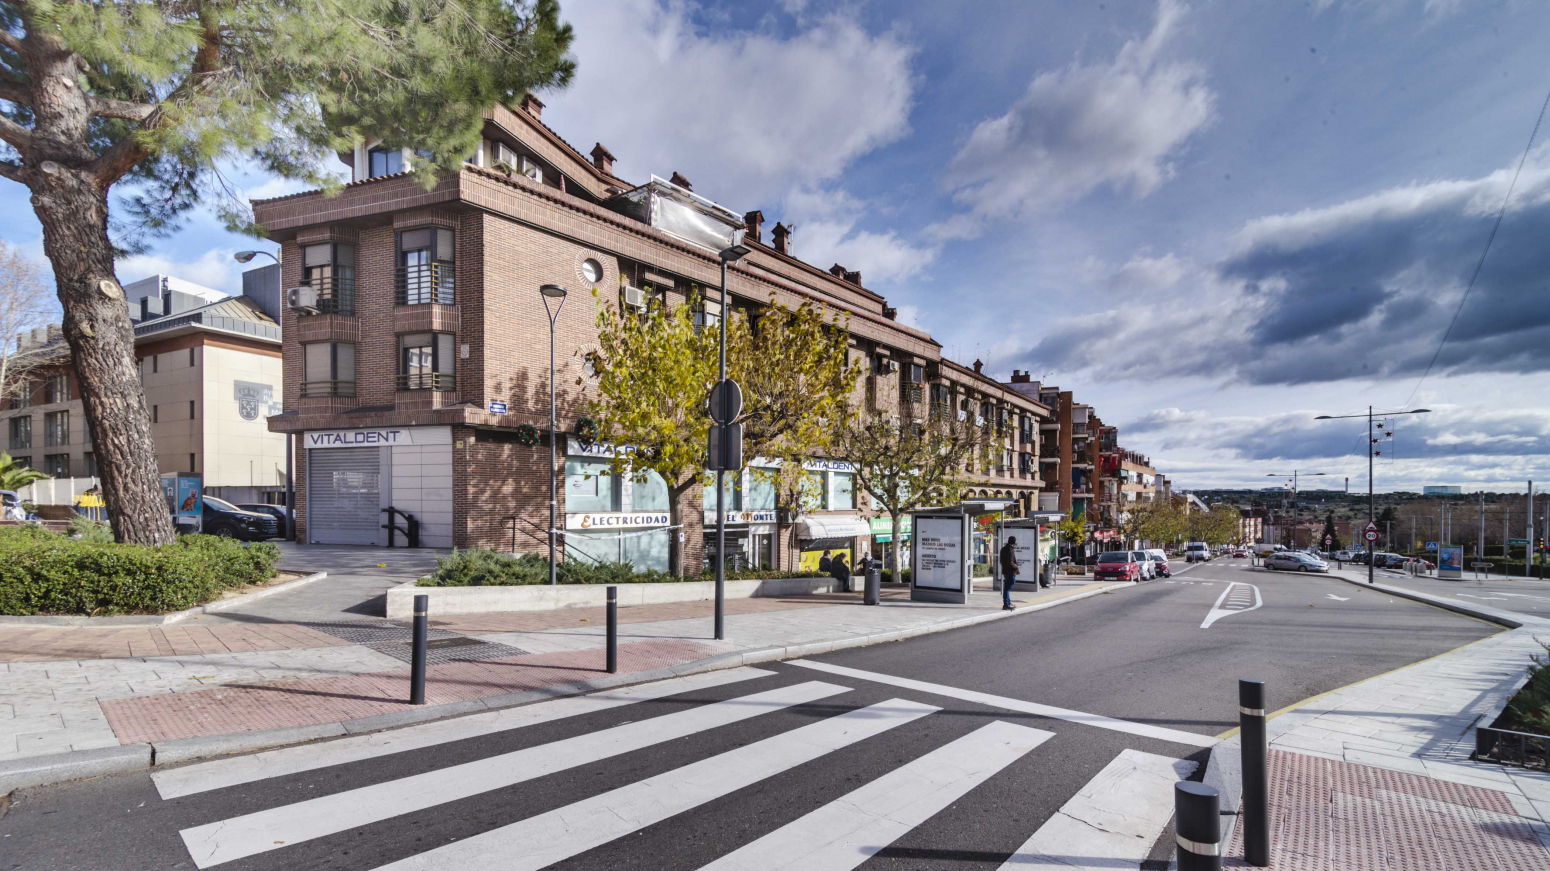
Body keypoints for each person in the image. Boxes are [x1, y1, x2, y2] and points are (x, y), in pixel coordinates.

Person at [1000, 537, 1020, 611]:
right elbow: (1010, 563)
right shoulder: (1010, 550)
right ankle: (1006, 604)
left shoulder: (1003, 549)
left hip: (1005, 571)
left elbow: (1002, 561)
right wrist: (1016, 567)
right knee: (1007, 588)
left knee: (1007, 588)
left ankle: (1008, 603)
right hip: (1010, 572)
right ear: (1014, 542)